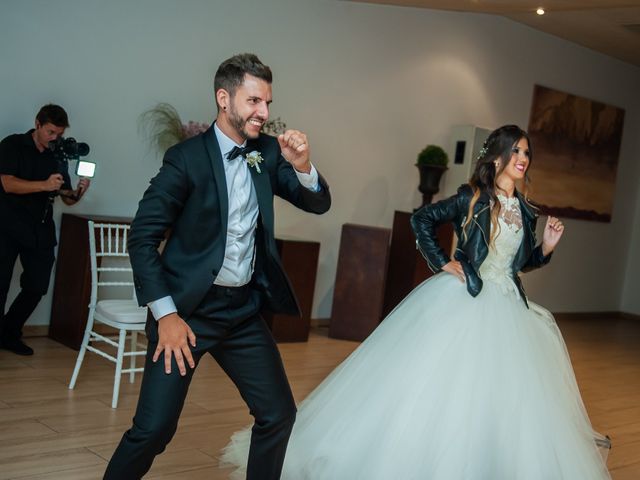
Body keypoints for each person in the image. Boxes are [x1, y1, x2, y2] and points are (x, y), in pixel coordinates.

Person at [221, 125, 611, 479]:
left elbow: (519, 264)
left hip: (509, 308)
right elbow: (422, 219)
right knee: (444, 392)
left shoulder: (525, 210)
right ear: (497, 157)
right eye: (518, 151)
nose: (524, 159)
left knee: (507, 402)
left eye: (528, 154)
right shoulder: (471, 197)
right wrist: (443, 261)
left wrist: (545, 247)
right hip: (468, 301)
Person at [104, 53, 331, 480]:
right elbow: (142, 238)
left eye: (267, 102)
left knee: (278, 415)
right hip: (186, 312)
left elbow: (317, 202)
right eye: (253, 102)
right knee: (153, 430)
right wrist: (166, 315)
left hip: (242, 311)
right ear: (223, 98)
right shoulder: (186, 158)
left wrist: (302, 167)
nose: (264, 113)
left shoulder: (265, 151)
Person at [0, 104, 90, 356]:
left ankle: (8, 332)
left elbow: (66, 197)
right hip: (6, 225)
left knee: (37, 285)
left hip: (39, 228)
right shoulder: (13, 144)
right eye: (50, 132)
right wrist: (44, 184)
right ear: (37, 124)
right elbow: (6, 183)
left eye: (59, 134)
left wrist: (79, 191)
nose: (54, 138)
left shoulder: (57, 155)